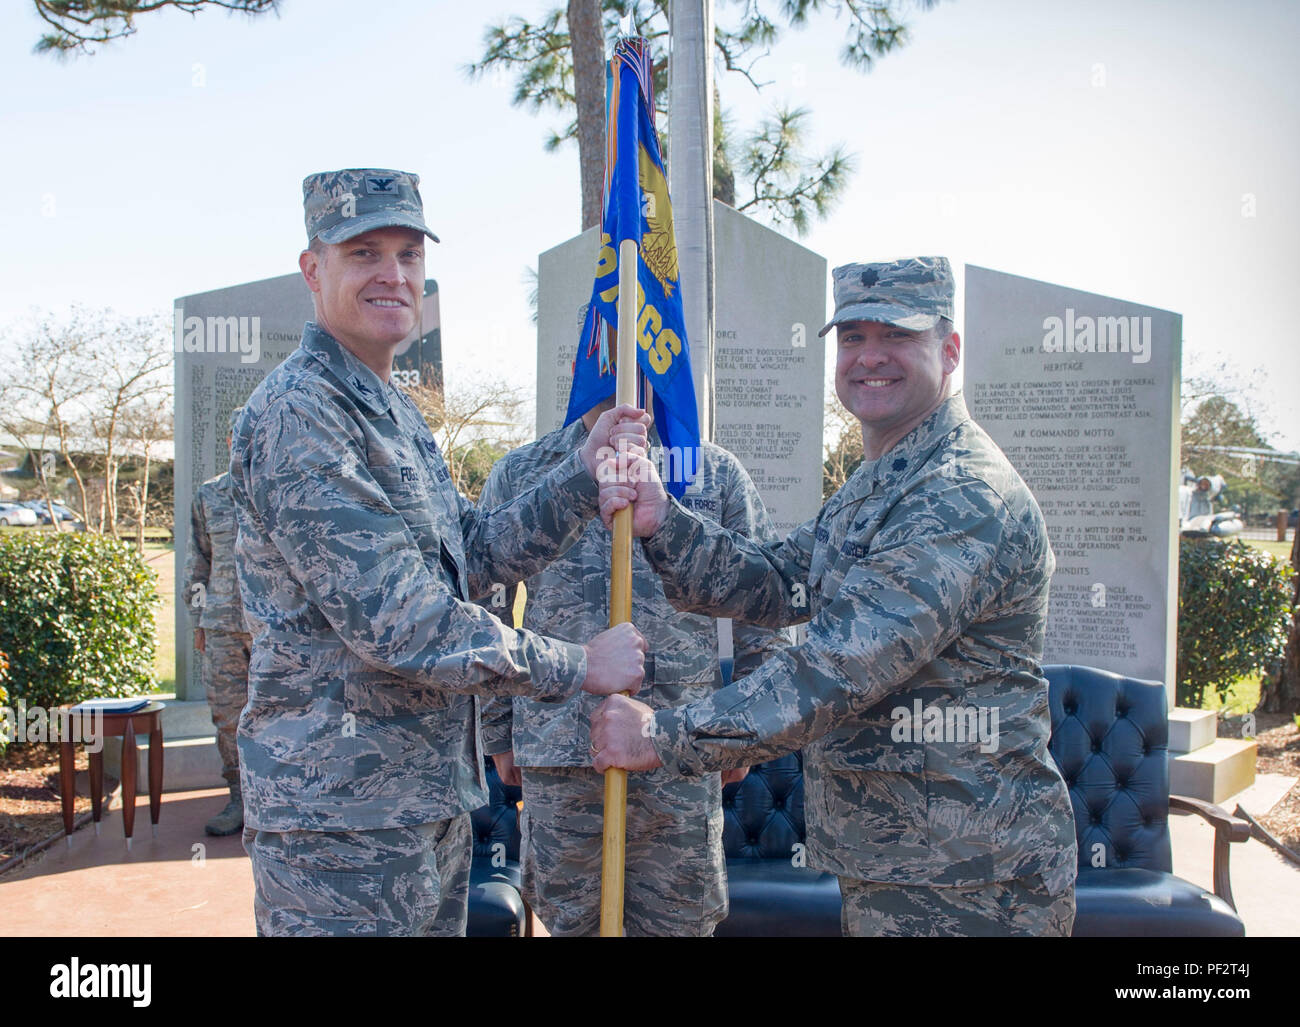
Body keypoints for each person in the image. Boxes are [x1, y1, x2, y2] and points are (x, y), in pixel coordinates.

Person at [590, 256, 1079, 937]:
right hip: (905, 859)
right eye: (852, 338)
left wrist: (663, 735)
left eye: (895, 336)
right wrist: (661, 522)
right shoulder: (884, 478)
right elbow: (780, 578)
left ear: (950, 350)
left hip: (969, 875)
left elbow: (833, 669)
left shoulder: (962, 493)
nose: (869, 357)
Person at [227, 168, 648, 937]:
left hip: (419, 806)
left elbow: (473, 550)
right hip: (341, 826)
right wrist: (578, 664)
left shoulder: (389, 407)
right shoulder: (302, 413)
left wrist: (580, 479)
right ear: (313, 269)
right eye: (365, 253)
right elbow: (401, 620)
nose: (394, 275)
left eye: (410, 255)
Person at [479, 399, 788, 936]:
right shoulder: (525, 473)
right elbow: (488, 604)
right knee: (566, 923)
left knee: (678, 923)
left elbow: (762, 612)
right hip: (560, 751)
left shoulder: (709, 472)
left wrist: (740, 736)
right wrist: (498, 730)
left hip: (676, 752)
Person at [185, 408, 251, 836]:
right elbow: (198, 563)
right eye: (238, 437)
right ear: (230, 442)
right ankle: (238, 800)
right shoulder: (209, 496)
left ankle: (281, 803)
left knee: (288, 717)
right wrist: (199, 622)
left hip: (277, 631)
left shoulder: (284, 490)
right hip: (223, 626)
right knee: (228, 717)